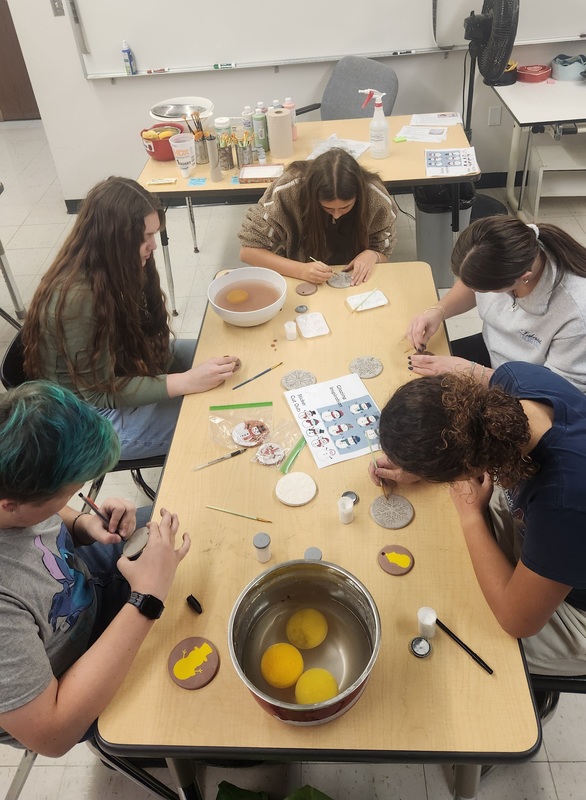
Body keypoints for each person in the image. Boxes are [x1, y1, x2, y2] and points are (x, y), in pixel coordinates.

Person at [0, 381, 190, 755]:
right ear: (9, 504)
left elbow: (43, 513)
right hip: (70, 681)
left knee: (187, 531)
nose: (72, 501)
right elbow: (53, 735)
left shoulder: (9, 470)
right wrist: (146, 600)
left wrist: (84, 525)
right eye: (68, 494)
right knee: (193, 687)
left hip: (83, 582)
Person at [370, 361, 586, 676]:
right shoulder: (513, 380)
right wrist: (419, 461)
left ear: (466, 468)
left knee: (467, 633)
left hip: (575, 608)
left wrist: (471, 516)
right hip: (555, 528)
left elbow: (517, 620)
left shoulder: (564, 502)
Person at [22, 176, 241, 460]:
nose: (153, 246)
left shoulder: (114, 263)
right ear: (114, 239)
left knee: (218, 357)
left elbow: (142, 339)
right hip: (88, 418)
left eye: (154, 234)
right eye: (145, 237)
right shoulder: (78, 299)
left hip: (120, 367)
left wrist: (184, 378)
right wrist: (184, 381)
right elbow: (99, 394)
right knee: (217, 419)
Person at [404, 216, 586, 393]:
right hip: (492, 349)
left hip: (532, 388)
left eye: (484, 291)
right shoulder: (513, 247)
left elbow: (561, 392)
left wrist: (475, 373)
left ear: (524, 278)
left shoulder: (576, 313)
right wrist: (437, 311)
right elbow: (472, 283)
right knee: (408, 374)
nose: (477, 292)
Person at [238, 148, 398, 286]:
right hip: (299, 276)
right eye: (327, 207)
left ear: (359, 196)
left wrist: (373, 255)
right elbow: (248, 251)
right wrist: (301, 270)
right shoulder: (288, 190)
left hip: (353, 279)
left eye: (345, 207)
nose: (336, 214)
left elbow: (383, 250)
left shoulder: (374, 196)